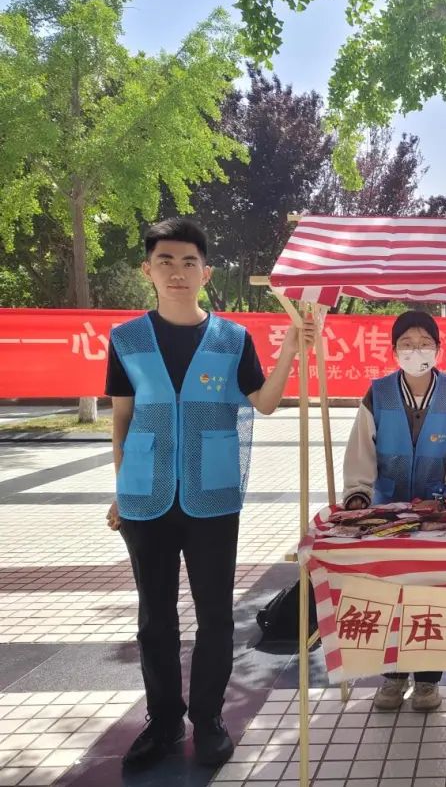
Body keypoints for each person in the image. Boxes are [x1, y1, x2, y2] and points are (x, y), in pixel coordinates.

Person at [105, 218, 316, 769]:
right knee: (155, 618)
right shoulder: (126, 339)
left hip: (213, 496)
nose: (177, 272)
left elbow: (264, 402)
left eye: (188, 262)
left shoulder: (232, 338)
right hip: (146, 497)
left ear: (207, 272)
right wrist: (121, 488)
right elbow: (122, 419)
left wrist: (291, 349)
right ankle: (163, 722)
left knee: (216, 615)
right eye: (166, 261)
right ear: (148, 270)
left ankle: (208, 719)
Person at [340, 310, 446, 711]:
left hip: (438, 517)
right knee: (390, 594)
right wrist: (358, 493)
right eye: (407, 343)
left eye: (424, 343)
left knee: (432, 596)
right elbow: (361, 449)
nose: (416, 351)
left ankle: (428, 681)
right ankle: (393, 676)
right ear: (394, 350)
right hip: (387, 514)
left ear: (438, 348)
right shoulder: (378, 393)